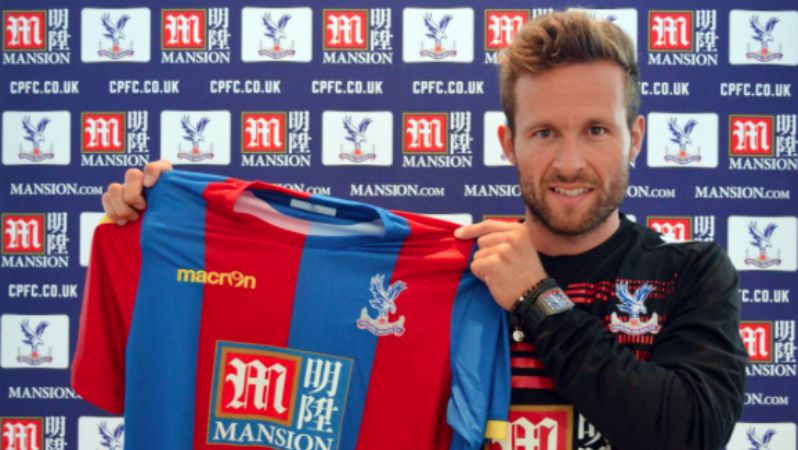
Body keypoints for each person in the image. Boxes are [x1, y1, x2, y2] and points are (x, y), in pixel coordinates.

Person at [101, 11, 747, 450]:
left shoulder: (690, 272)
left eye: (596, 131)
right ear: (509, 142)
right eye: (545, 132)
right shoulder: (453, 273)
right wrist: (165, 221)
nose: (571, 162)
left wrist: (538, 300)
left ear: (635, 136)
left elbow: (689, 431)